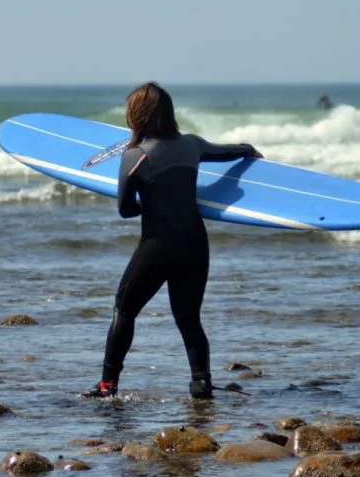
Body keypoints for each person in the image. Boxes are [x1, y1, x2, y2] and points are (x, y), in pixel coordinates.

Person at [84, 82, 262, 401]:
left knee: (124, 310)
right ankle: (201, 384)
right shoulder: (192, 145)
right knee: (188, 318)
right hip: (195, 243)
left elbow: (125, 210)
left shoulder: (135, 156)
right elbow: (230, 151)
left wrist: (147, 202)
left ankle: (107, 386)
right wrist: (248, 150)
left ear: (136, 116)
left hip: (158, 245)